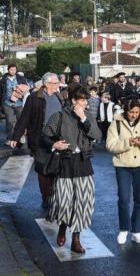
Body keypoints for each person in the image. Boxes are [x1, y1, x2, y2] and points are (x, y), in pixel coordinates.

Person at [42, 86, 101, 254]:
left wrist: (84, 119)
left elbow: (97, 136)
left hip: (83, 163)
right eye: (81, 100)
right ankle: (62, 226)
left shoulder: (87, 116)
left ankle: (76, 238)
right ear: (73, 101)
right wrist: (54, 144)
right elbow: (44, 135)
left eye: (86, 100)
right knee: (63, 201)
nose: (85, 103)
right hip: (65, 162)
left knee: (82, 202)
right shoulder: (59, 116)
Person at [106, 97, 140, 245]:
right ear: (126, 110)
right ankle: (124, 229)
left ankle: (137, 231)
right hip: (122, 165)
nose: (134, 115)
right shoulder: (116, 122)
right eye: (131, 112)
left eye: (136, 112)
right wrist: (128, 142)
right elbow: (110, 145)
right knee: (123, 199)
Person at [9, 72, 62, 208]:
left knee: (56, 168)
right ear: (46, 84)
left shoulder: (59, 96)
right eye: (55, 83)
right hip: (38, 139)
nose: (58, 85)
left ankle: (54, 194)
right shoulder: (34, 98)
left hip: (56, 139)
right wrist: (15, 137)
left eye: (57, 83)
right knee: (42, 169)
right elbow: (24, 118)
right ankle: (46, 196)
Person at [1, 64, 28, 145]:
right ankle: (10, 138)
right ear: (8, 70)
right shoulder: (3, 80)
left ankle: (21, 136)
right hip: (7, 103)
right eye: (11, 69)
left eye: (14, 69)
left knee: (21, 120)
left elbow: (26, 87)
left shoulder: (20, 78)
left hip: (19, 103)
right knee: (10, 121)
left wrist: (19, 89)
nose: (13, 71)